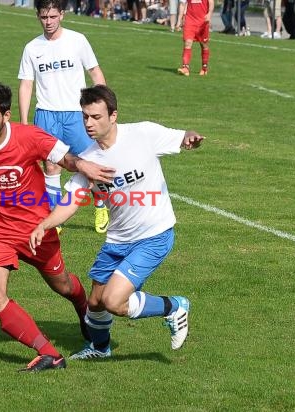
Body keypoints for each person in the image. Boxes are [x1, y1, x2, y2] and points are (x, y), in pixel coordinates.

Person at [0, 81, 115, 372]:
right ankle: (50, 354)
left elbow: (66, 159)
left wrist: (83, 165)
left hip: (36, 230)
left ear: (6, 115)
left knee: (62, 286)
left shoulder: (30, 137)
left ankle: (82, 306)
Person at [30, 85, 204, 359]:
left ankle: (175, 307)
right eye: (85, 116)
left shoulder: (143, 134)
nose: (89, 123)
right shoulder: (88, 160)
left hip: (154, 234)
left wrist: (190, 138)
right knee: (95, 303)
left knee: (113, 301)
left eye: (96, 116)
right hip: (118, 240)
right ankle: (100, 349)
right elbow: (71, 203)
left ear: (113, 116)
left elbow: (182, 137)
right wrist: (44, 225)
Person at [18, 0, 110, 234]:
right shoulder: (32, 48)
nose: (48, 22)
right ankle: (53, 217)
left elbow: (95, 72)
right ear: (38, 16)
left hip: (76, 115)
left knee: (90, 164)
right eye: (43, 17)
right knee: (51, 167)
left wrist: (104, 108)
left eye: (52, 17)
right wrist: (26, 123)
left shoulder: (77, 40)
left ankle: (100, 205)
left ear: (62, 15)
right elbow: (26, 85)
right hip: (47, 115)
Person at [177, 0, 214, 76]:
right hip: (189, 20)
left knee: (204, 45)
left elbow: (211, 2)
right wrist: (179, 20)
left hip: (203, 21)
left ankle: (204, 67)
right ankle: (185, 67)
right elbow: (182, 4)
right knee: (188, 42)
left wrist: (209, 13)